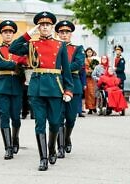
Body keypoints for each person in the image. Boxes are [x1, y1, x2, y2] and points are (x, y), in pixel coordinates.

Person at [9, 11, 73, 171]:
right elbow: (13, 48)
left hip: (55, 86)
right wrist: (29, 33)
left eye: (47, 25)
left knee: (54, 122)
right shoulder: (32, 43)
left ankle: (52, 149)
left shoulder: (60, 45)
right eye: (42, 25)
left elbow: (66, 69)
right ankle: (43, 158)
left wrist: (68, 90)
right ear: (39, 27)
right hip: (37, 88)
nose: (44, 27)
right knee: (39, 124)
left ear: (52, 27)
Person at [0, 20, 27, 160]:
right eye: (5, 32)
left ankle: (15, 137)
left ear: (13, 34)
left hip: (17, 86)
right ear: (1, 34)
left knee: (16, 118)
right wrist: (16, 64)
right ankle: (8, 147)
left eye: (10, 32)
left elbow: (27, 59)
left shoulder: (20, 48)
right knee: (4, 116)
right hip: (2, 86)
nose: (8, 34)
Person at [55, 20, 85, 158]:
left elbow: (78, 64)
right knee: (58, 117)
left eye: (67, 32)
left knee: (71, 118)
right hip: (57, 83)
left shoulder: (78, 48)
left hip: (73, 83)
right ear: (58, 33)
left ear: (71, 34)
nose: (64, 34)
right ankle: (60, 146)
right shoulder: (54, 47)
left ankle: (67, 137)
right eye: (62, 32)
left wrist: (62, 68)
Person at [84, 48, 97, 114]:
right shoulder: (84, 60)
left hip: (94, 79)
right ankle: (90, 108)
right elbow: (84, 69)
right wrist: (88, 71)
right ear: (86, 53)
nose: (89, 53)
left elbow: (97, 68)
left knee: (94, 93)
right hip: (88, 78)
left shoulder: (94, 60)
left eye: (90, 52)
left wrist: (94, 71)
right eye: (88, 52)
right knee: (88, 93)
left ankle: (94, 107)